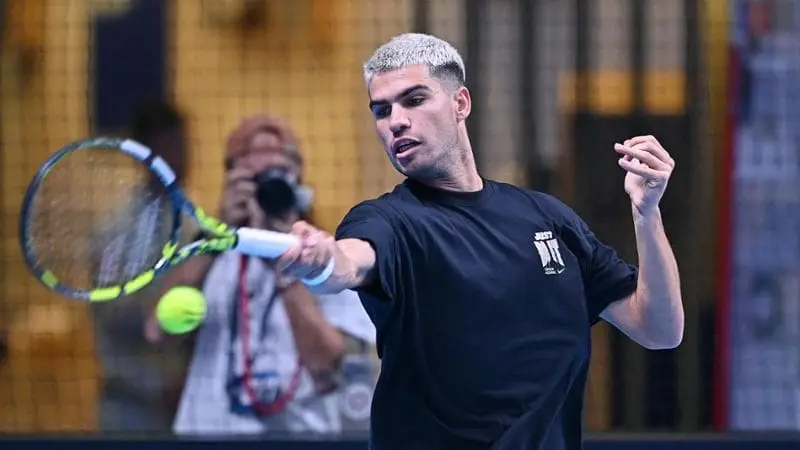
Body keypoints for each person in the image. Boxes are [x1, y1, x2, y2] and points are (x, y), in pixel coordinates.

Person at [275, 33, 684, 450]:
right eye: (382, 110)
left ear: (461, 103)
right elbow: (350, 261)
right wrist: (322, 261)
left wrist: (646, 213)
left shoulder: (549, 218)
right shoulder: (388, 221)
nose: (395, 121)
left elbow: (659, 329)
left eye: (414, 100)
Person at [146, 115, 377, 436]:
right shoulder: (206, 255)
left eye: (276, 177)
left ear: (298, 182)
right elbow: (156, 332)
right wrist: (217, 233)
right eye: (255, 179)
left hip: (300, 437)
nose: (267, 191)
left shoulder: (332, 261)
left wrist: (285, 260)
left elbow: (329, 370)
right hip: (209, 434)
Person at [91, 100, 191, 432]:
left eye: (182, 144)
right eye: (169, 145)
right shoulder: (114, 231)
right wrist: (158, 384)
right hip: (129, 408)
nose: (180, 155)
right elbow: (113, 320)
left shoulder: (196, 225)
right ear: (145, 152)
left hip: (185, 405)